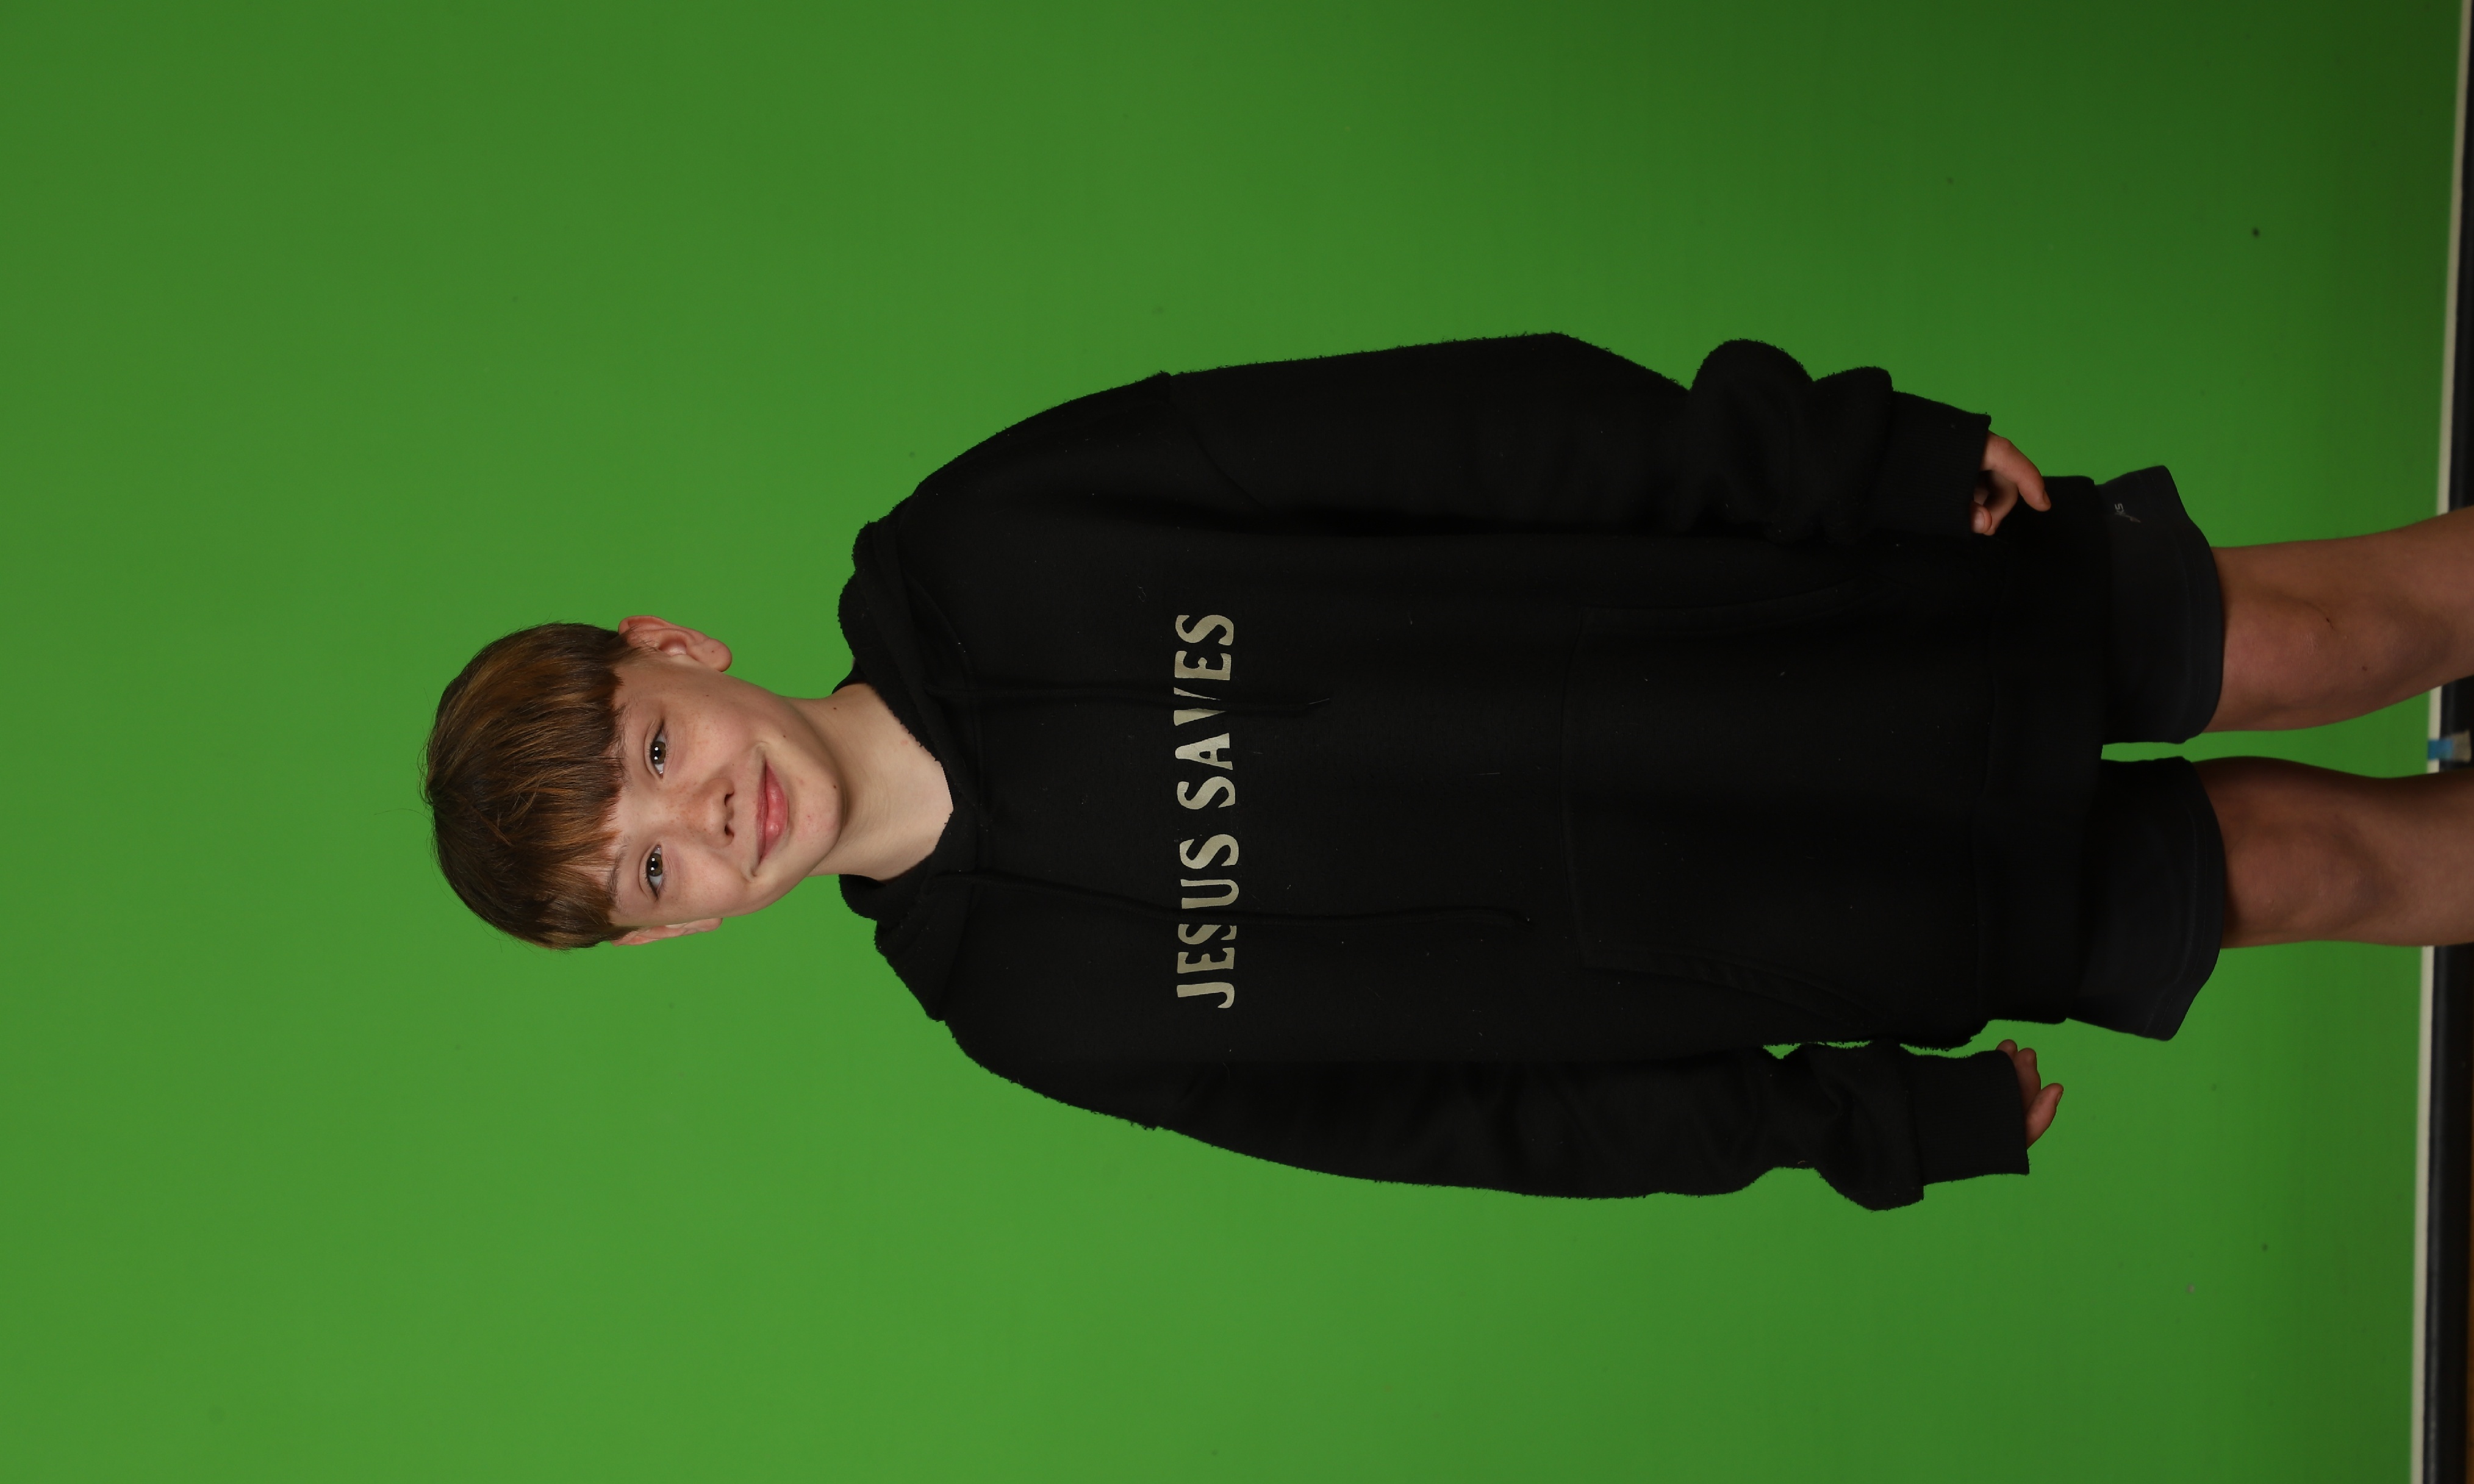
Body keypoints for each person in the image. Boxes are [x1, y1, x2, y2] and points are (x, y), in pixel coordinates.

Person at [423, 334, 2468, 1210]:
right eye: (653, 870)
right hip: (1809, 927)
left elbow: (1447, 429)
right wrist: (1846, 1122)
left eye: (657, 752)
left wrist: (1843, 460)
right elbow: (1471, 1124)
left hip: (1804, 635)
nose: (706, 817)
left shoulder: (991, 540)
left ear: (674, 648)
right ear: (673, 934)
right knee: (2319, 877)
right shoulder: (1024, 1008)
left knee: (2325, 636)